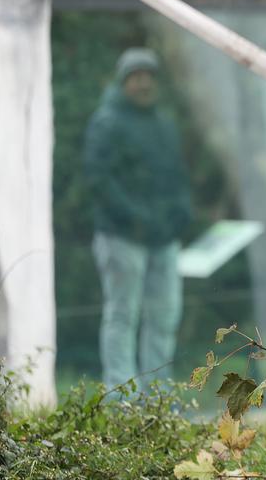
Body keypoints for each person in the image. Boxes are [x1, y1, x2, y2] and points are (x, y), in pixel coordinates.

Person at [83, 48, 191, 390]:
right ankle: (121, 399)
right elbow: (98, 181)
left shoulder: (163, 124)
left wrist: (181, 212)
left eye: (149, 76)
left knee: (164, 318)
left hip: (162, 239)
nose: (143, 83)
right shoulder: (107, 121)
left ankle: (157, 399)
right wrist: (135, 217)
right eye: (136, 76)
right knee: (122, 316)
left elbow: (177, 176)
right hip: (121, 236)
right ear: (123, 81)